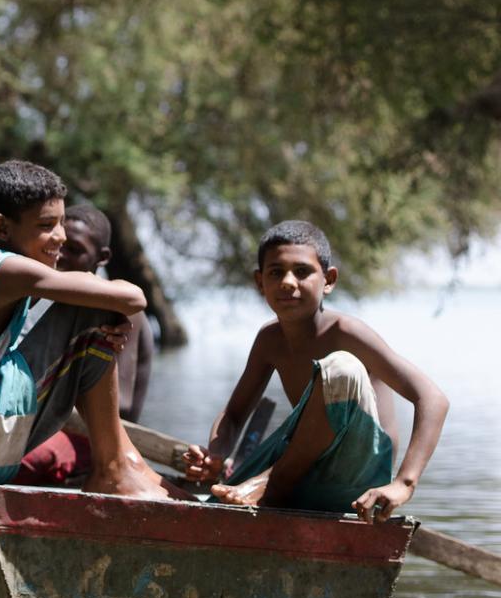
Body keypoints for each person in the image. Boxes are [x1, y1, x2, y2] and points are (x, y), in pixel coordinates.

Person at [0, 160, 191, 500]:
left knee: (91, 309)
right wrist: (101, 316)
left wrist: (93, 338)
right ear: (2, 228)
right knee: (93, 302)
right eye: (47, 225)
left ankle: (120, 464)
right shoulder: (11, 271)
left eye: (61, 222)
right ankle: (114, 469)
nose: (59, 236)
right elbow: (134, 298)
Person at [182, 220, 448, 521]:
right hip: (301, 471)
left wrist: (404, 483)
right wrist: (217, 454)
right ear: (260, 282)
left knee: (340, 367)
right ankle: (268, 486)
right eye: (275, 272)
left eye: (302, 271)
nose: (287, 282)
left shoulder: (347, 333)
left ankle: (270, 481)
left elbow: (433, 399)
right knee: (207, 501)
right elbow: (233, 415)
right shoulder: (269, 340)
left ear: (329, 280)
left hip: (355, 473)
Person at [13, 202, 154, 486]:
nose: (61, 256)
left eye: (75, 251)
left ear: (101, 258)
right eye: (61, 246)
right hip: (40, 425)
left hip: (92, 439)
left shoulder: (122, 310)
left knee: (27, 461)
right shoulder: (41, 298)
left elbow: (122, 405)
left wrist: (51, 401)